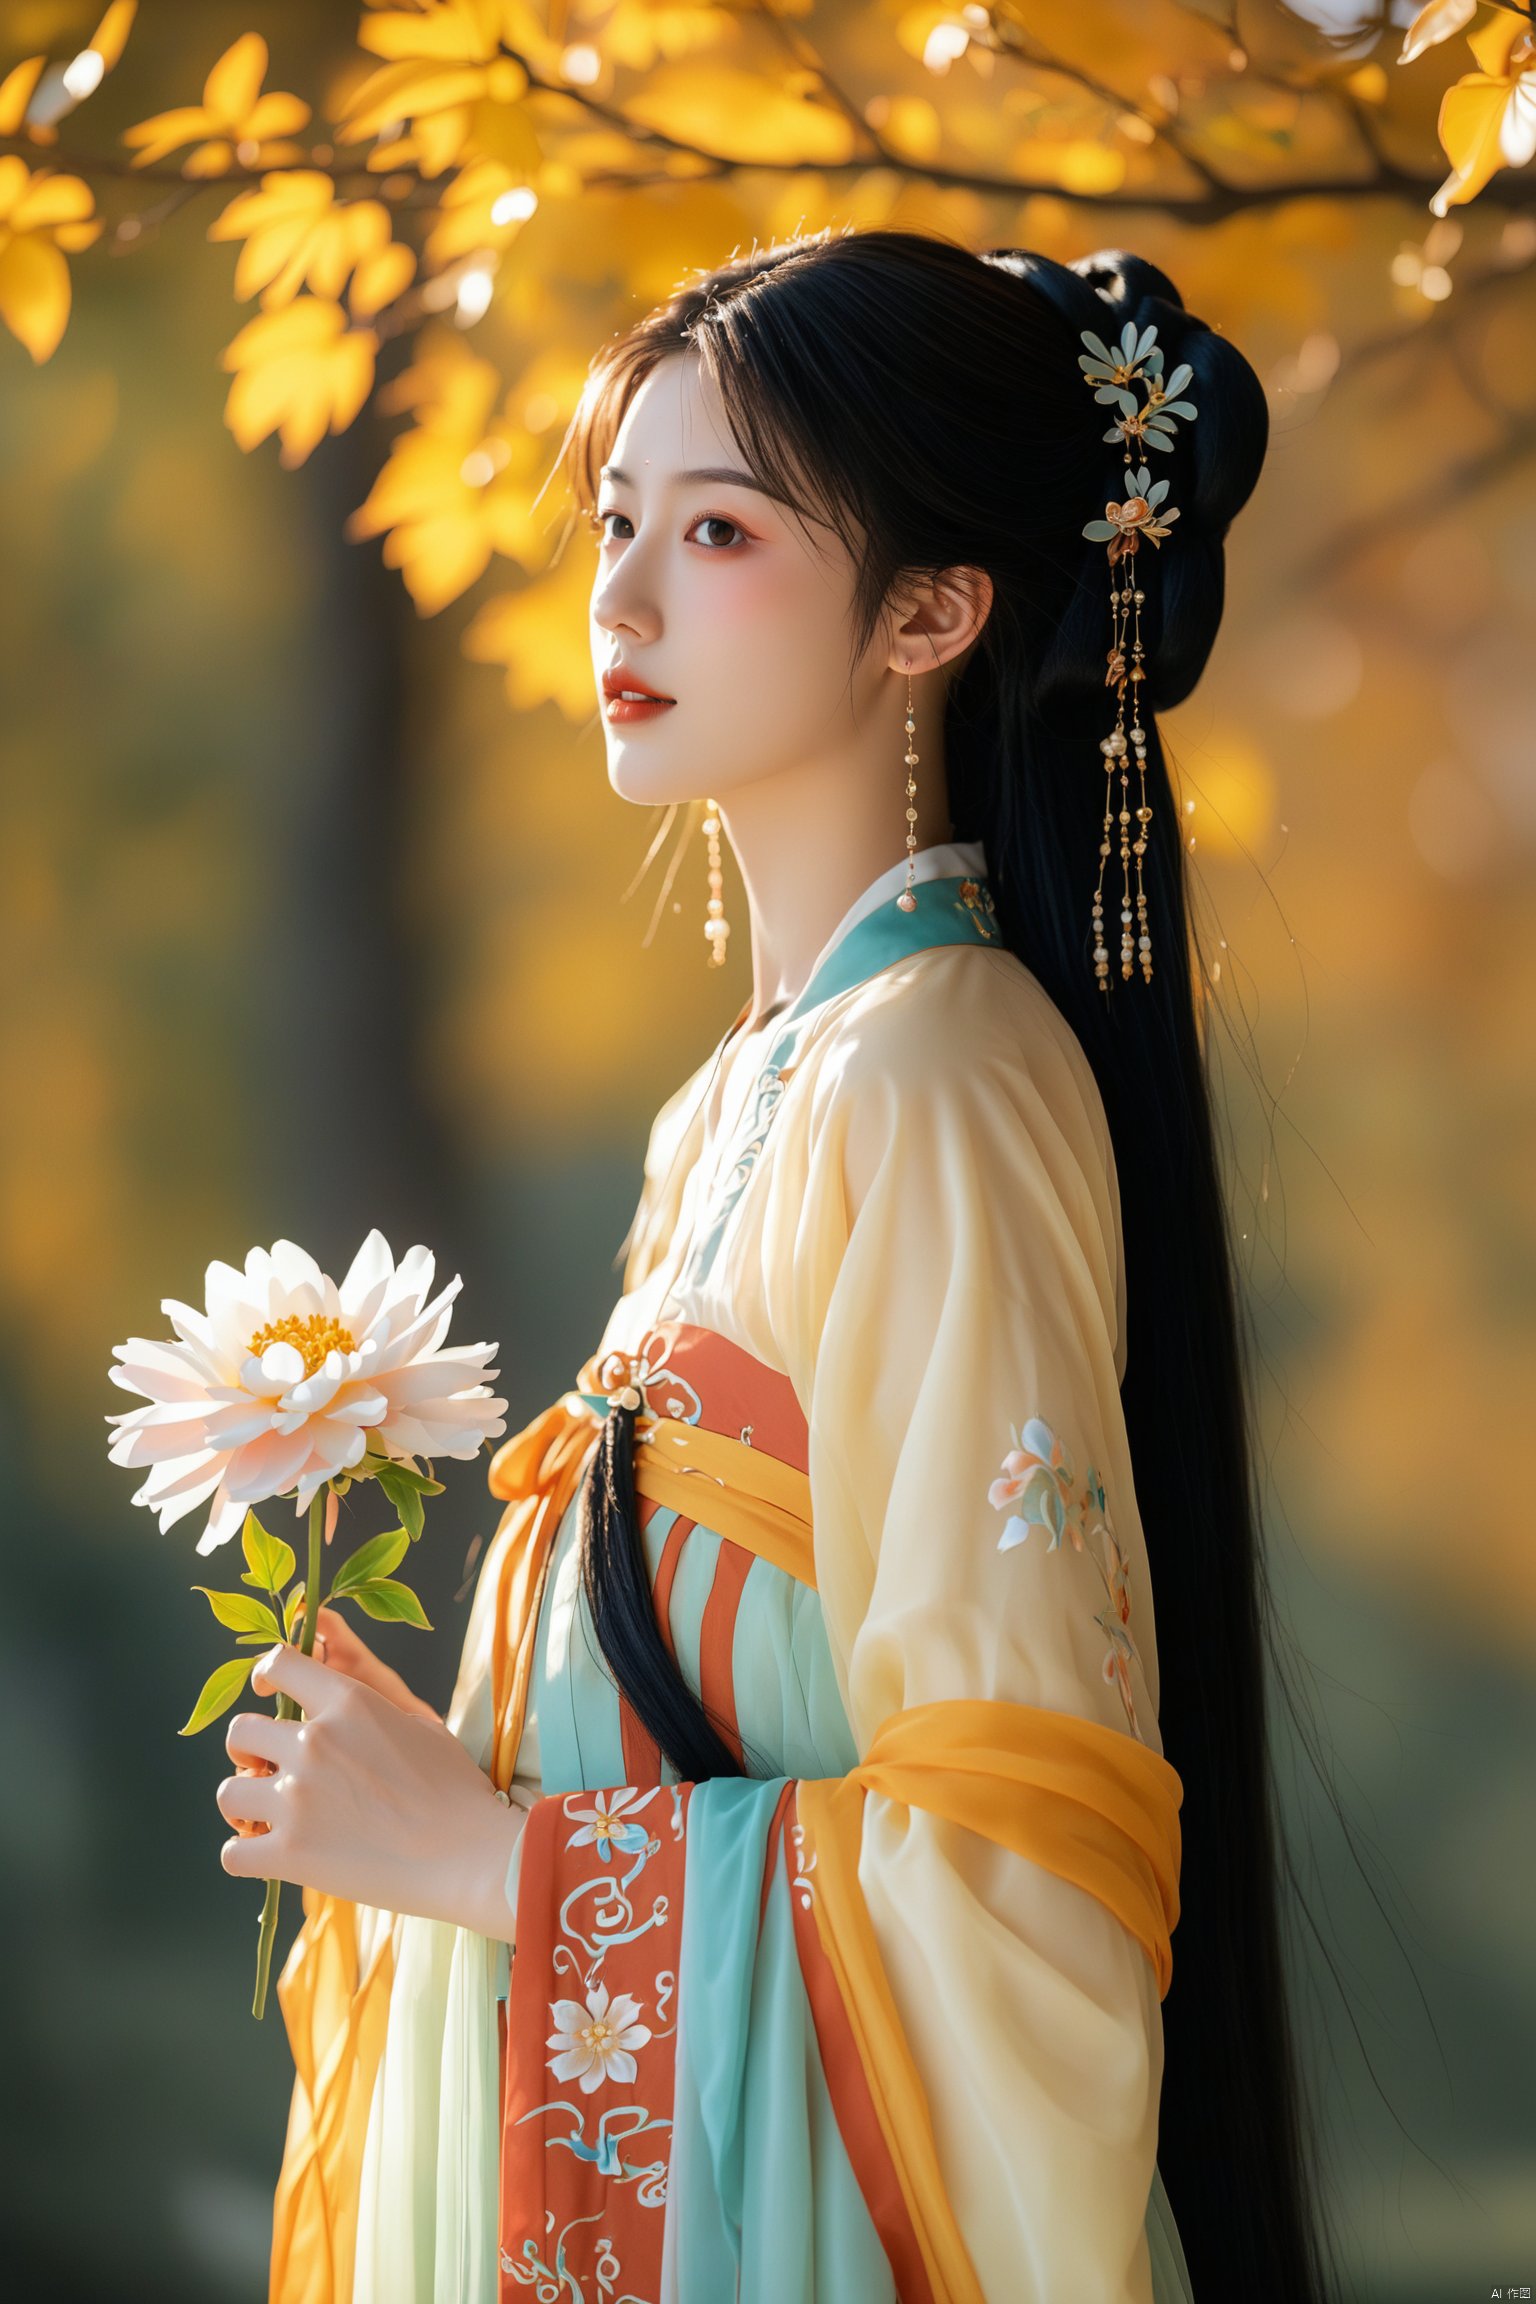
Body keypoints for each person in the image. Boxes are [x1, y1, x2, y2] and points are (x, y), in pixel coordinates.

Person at [218, 228, 1337, 2303]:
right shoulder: (742, 1101)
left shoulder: (931, 1073)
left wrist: (479, 1857)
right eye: (616, 521)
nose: (619, 599)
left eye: (716, 530)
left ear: (931, 609)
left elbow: (1019, 1875)